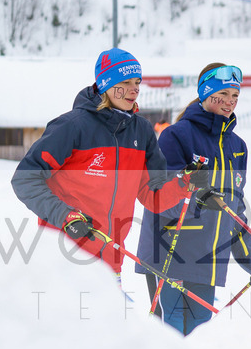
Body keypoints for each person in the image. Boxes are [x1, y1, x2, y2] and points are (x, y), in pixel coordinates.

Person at [12, 48, 193, 279]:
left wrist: (183, 182)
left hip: (109, 264)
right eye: (125, 82)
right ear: (106, 84)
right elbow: (25, 179)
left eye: (137, 82)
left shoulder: (142, 131)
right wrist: (65, 216)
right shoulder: (73, 126)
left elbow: (153, 196)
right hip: (61, 262)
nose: (135, 89)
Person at [135, 62, 251, 335]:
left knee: (199, 340)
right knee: (171, 338)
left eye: (235, 95)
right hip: (171, 254)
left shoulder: (237, 147)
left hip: (208, 262)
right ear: (207, 94)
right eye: (223, 94)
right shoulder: (176, 135)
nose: (230, 101)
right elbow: (157, 196)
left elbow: (234, 210)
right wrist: (195, 193)